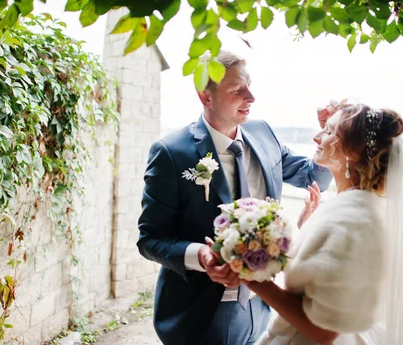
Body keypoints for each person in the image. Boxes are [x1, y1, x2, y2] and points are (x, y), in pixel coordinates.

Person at [136, 51, 333, 345]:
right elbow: (150, 239)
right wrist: (200, 256)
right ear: (206, 97)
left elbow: (313, 178)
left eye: (250, 85)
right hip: (202, 310)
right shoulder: (171, 153)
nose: (251, 96)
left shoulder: (264, 133)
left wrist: (329, 132)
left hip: (263, 302)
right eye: (237, 90)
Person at [242, 101, 403, 345]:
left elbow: (323, 330)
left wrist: (253, 280)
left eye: (330, 131)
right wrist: (308, 228)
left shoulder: (354, 220)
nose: (316, 137)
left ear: (353, 151)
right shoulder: (354, 208)